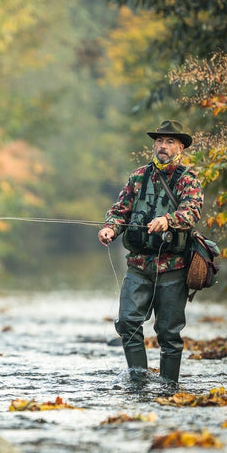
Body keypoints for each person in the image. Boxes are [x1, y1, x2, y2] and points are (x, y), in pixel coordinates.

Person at [97, 120, 203, 387]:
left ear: (180, 147)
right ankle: (138, 381)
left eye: (169, 142)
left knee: (169, 334)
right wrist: (110, 229)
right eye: (159, 141)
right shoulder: (138, 176)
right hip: (139, 266)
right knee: (128, 324)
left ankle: (169, 387)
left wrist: (168, 220)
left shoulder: (188, 179)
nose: (162, 146)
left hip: (173, 268)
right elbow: (120, 211)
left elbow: (191, 212)